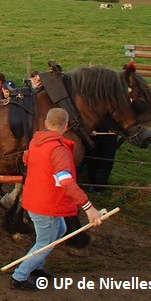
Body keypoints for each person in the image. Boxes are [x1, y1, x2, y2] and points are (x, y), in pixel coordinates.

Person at [10, 108, 102, 290]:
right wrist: (89, 207)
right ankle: (20, 277)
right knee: (44, 243)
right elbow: (67, 182)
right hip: (47, 205)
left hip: (34, 199)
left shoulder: (36, 142)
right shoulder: (59, 150)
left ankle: (36, 267)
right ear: (66, 126)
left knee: (60, 230)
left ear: (45, 123)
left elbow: (26, 158)